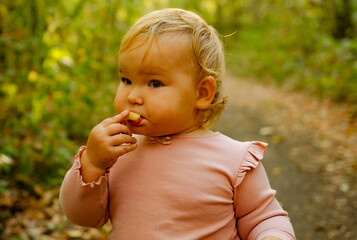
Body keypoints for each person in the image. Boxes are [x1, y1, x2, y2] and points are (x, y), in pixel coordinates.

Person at [60, 8, 296, 240]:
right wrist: (92, 163)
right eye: (126, 80)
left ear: (202, 93)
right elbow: (83, 217)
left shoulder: (235, 160)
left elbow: (264, 218)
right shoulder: (118, 153)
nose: (132, 96)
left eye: (154, 83)